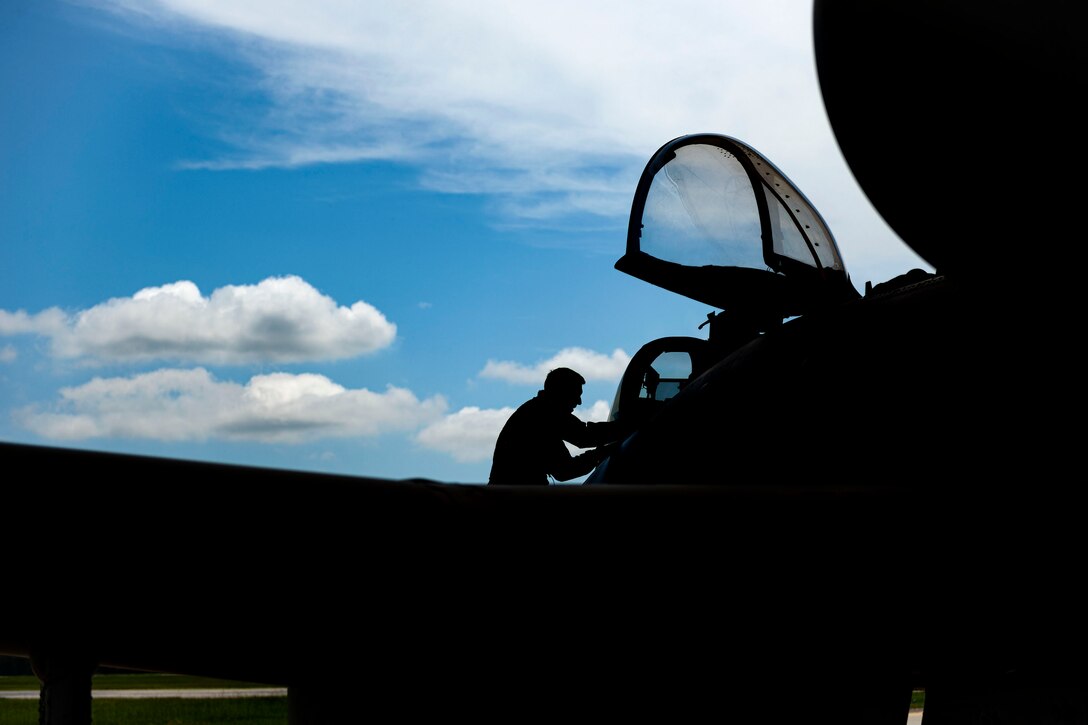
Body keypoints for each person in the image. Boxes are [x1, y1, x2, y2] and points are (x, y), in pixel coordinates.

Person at [488, 367, 626, 485]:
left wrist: (599, 453)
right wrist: (626, 428)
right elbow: (582, 440)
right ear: (561, 393)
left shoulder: (536, 412)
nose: (579, 402)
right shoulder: (542, 415)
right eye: (575, 395)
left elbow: (581, 440)